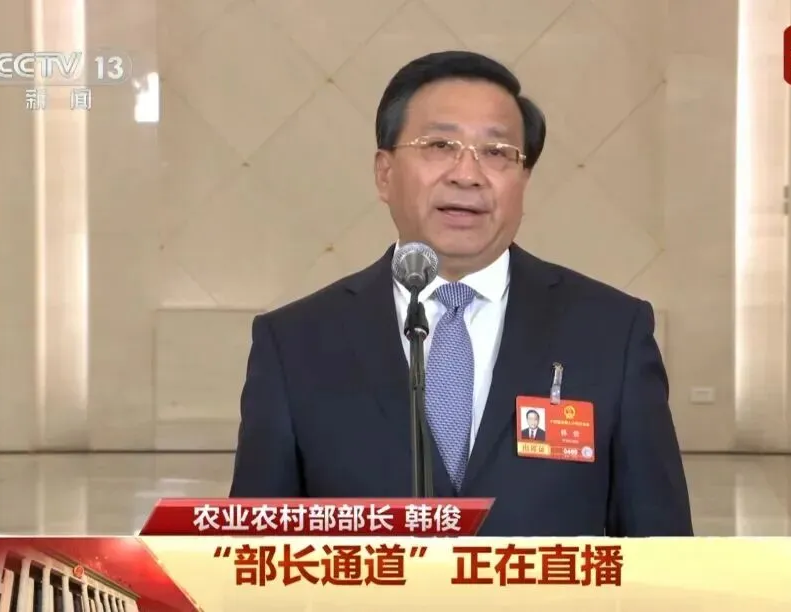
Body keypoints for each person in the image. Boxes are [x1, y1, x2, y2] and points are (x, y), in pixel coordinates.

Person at [230, 50, 693, 536]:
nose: (467, 174)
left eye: (497, 152)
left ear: (524, 179)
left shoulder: (612, 332)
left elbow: (663, 550)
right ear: (385, 173)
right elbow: (254, 553)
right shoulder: (294, 343)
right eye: (439, 145)